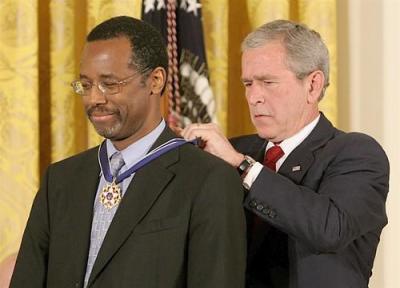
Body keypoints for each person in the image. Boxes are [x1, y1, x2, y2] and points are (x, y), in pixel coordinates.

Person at [10, 16, 246, 288]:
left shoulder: (208, 180)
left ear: (155, 81)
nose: (94, 99)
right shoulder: (60, 180)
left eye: (110, 84)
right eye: (85, 85)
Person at [180, 20, 389, 288]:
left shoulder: (356, 153)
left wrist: (242, 166)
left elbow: (328, 229)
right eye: (247, 83)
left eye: (268, 82)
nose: (254, 97)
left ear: (313, 85)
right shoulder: (234, 150)